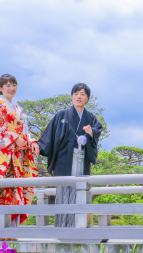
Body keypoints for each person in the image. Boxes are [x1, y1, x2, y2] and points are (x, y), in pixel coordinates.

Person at [38, 83, 103, 226]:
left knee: (80, 192)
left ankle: (79, 227)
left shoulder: (90, 118)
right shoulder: (61, 115)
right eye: (76, 94)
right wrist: (38, 147)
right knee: (63, 193)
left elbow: (98, 130)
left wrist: (91, 132)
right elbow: (49, 135)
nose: (78, 97)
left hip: (82, 160)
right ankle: (62, 228)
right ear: (72, 96)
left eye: (82, 94)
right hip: (63, 162)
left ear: (87, 98)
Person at [0, 74, 40, 227]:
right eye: (7, 85)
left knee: (15, 191)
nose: (11, 88)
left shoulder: (18, 109)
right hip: (5, 159)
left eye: (13, 84)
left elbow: (25, 132)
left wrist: (31, 141)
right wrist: (14, 138)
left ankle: (12, 231)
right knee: (2, 191)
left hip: (17, 158)